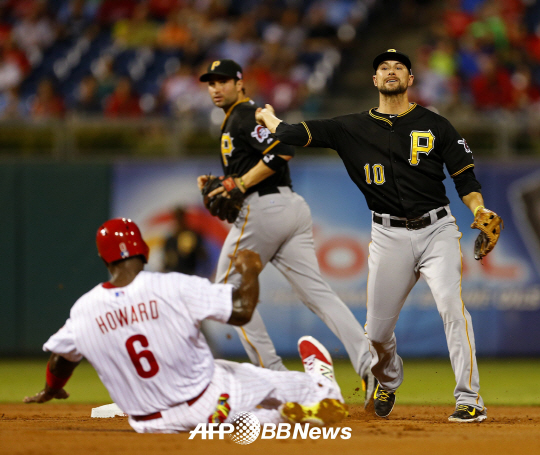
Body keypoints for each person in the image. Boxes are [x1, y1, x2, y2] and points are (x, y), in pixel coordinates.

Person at [256, 49, 498, 423]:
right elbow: (290, 133)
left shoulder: (436, 124)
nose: (391, 70)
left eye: (399, 67)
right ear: (375, 80)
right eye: (384, 67)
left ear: (410, 79)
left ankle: (470, 399)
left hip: (437, 230)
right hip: (387, 236)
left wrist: (479, 210)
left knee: (452, 308)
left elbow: (465, 177)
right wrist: (268, 117)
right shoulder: (349, 127)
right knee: (377, 335)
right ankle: (388, 380)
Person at [23, 217, 347, 432]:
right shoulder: (172, 286)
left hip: (150, 424)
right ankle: (322, 389)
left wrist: (52, 388)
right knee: (264, 380)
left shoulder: (83, 310)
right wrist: (249, 268)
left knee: (239, 403)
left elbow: (61, 359)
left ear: (103, 260)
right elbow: (242, 311)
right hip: (208, 400)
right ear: (144, 251)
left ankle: (274, 417)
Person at [197, 59, 375, 404]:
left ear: (240, 83)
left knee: (227, 293)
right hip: (290, 208)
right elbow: (249, 168)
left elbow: (283, 149)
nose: (216, 88)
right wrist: (224, 181)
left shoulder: (245, 115)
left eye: (223, 81)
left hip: (265, 209)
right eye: (211, 82)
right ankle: (371, 364)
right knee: (318, 294)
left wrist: (240, 183)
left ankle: (276, 379)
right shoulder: (237, 118)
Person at [163, 206, 208, 276]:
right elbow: (167, 262)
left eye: (180, 217)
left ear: (184, 218)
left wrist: (194, 247)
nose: (179, 220)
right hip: (175, 276)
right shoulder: (170, 240)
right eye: (177, 218)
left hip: (191, 275)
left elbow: (204, 256)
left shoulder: (193, 235)